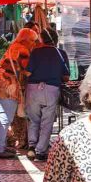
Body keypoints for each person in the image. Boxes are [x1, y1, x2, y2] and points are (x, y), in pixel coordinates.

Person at [24, 28, 70, 162]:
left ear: (42, 39)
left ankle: (32, 146)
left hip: (33, 89)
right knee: (47, 122)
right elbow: (66, 77)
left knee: (33, 119)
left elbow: (28, 73)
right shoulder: (61, 53)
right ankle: (41, 150)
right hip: (51, 90)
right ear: (55, 40)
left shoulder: (35, 52)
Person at [0, 52, 25, 158]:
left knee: (5, 118)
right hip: (6, 85)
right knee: (4, 118)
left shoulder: (15, 49)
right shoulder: (20, 50)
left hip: (1, 82)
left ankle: (1, 146)